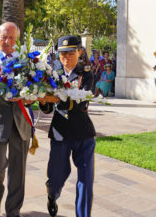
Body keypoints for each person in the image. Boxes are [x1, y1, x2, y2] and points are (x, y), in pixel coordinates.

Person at [0, 22, 33, 217]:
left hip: (20, 122)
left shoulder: (26, 60)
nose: (8, 42)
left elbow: (34, 84)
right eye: (4, 38)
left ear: (17, 40)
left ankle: (13, 210)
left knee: (18, 173)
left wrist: (33, 94)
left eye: (12, 38)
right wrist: (14, 95)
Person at [38, 35, 95, 217]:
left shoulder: (86, 74)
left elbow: (82, 101)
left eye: (71, 52)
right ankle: (52, 195)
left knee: (86, 180)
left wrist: (58, 97)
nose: (66, 57)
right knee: (56, 176)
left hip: (83, 132)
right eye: (63, 53)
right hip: (59, 132)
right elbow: (47, 109)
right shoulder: (52, 76)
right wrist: (42, 98)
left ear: (79, 52)